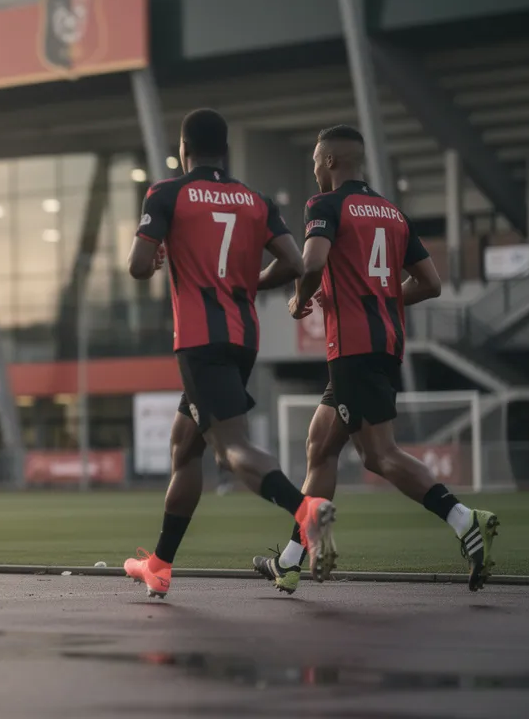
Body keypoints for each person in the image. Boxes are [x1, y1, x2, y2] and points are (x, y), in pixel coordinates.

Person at [255, 124, 499, 594]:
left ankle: (466, 519)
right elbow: (430, 283)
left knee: (378, 454)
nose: (314, 172)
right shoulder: (393, 213)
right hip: (384, 344)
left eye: (314, 163)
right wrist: (380, 300)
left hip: (352, 348)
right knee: (319, 446)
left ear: (329, 161)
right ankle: (290, 561)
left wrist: (299, 299)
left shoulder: (324, 206)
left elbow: (310, 264)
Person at [121, 108, 329, 600]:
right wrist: (246, 285)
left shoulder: (167, 192)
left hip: (197, 339)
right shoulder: (254, 200)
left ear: (183, 149)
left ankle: (306, 512)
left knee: (230, 449)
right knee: (184, 444)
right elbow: (297, 263)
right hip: (243, 338)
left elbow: (136, 266)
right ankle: (160, 565)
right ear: (226, 150)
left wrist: (153, 257)